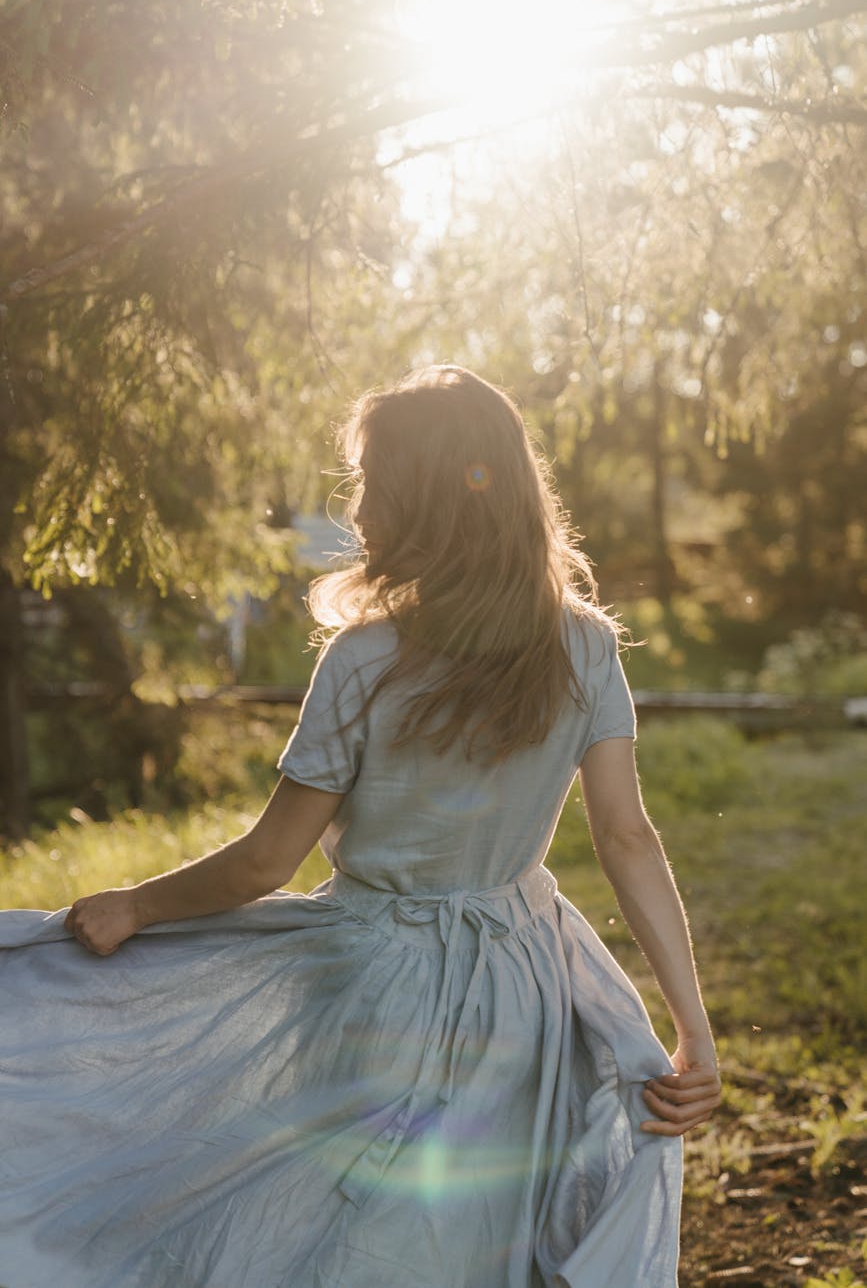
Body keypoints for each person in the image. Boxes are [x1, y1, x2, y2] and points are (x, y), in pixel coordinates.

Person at [0, 364, 721, 1287]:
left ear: (420, 495)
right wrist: (691, 1026)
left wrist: (136, 908)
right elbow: (627, 837)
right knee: (478, 1223)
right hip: (521, 976)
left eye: (371, 482)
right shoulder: (583, 644)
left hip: (372, 982)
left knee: (355, 1226)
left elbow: (266, 861)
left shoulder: (368, 658)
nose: (359, 508)